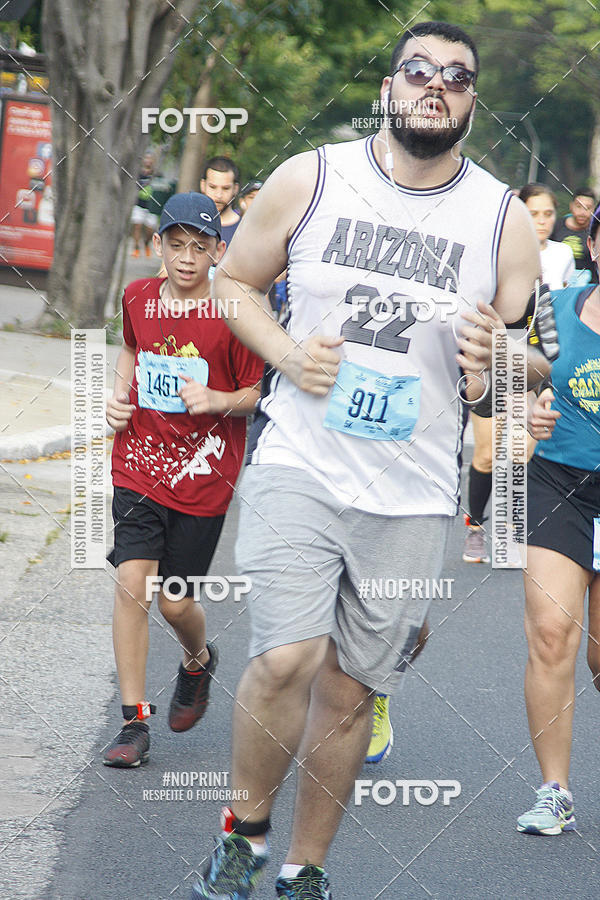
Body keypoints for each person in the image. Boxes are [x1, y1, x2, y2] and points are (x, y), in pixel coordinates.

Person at [191, 21, 550, 899]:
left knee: (351, 691)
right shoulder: (312, 178)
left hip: (415, 490)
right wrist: (285, 355)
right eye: (418, 69)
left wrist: (497, 362)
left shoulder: (502, 219)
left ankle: (305, 869)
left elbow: (530, 359)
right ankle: (245, 835)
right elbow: (233, 283)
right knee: (287, 657)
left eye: (456, 76)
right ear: (389, 88)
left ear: (472, 103)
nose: (436, 84)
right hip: (300, 463)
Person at [103, 193, 263, 768]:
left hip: (204, 475)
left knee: (175, 603)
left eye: (199, 247)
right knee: (132, 583)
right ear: (158, 245)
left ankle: (198, 659)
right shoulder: (137, 297)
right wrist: (118, 396)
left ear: (218, 250)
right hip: (139, 462)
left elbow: (257, 393)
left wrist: (217, 399)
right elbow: (130, 348)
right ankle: (133, 722)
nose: (187, 258)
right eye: (176, 245)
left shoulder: (233, 312)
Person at [516, 204, 600, 836]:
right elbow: (518, 377)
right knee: (550, 634)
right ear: (593, 244)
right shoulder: (554, 307)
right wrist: (528, 409)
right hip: (558, 483)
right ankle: (555, 790)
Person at [462, 182, 575, 565]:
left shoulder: (560, 256)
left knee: (521, 451)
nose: (541, 221)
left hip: (531, 359)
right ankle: (475, 526)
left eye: (548, 214)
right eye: (533, 213)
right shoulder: (490, 254)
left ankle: (510, 530)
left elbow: (551, 323)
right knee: (487, 454)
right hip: (491, 360)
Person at [551, 187, 598, 284]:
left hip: (589, 286)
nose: (582, 213)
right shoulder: (555, 227)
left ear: (593, 209)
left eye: (587, 208)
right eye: (579, 206)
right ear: (571, 206)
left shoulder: (596, 232)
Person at [201, 156, 241, 246]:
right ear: (203, 185)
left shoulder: (245, 229)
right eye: (212, 187)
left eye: (226, 188)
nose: (219, 195)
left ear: (235, 189)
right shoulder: (189, 225)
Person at [131, 151, 159, 258]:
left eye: (150, 158)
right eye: (146, 158)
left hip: (151, 206)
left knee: (149, 230)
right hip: (139, 203)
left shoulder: (156, 175)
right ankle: (136, 248)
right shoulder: (138, 174)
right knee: (137, 226)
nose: (148, 161)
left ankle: (146, 244)